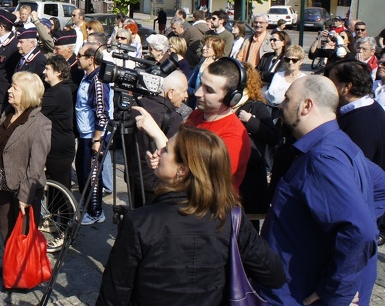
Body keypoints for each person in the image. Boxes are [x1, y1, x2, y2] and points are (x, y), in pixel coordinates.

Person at [97, 126, 285, 306]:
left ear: (182, 170)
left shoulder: (139, 222)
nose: (158, 153)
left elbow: (114, 295)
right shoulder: (230, 217)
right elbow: (273, 274)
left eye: (166, 150)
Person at [257, 75, 385, 306]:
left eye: (287, 99)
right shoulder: (336, 143)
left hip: (297, 295)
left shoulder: (323, 159)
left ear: (306, 106)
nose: (281, 105)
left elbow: (361, 231)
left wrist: (335, 291)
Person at [138, 58, 251, 192]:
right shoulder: (196, 115)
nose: (197, 93)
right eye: (200, 84)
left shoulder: (233, 137)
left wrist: (157, 135)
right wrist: (163, 158)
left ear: (231, 98)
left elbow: (202, 185)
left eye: (208, 90)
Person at [0, 71, 51, 279]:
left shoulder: (41, 123)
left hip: (24, 190)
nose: (9, 90)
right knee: (5, 227)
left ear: (27, 93)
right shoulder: (9, 114)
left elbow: (36, 165)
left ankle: (23, 273)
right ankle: (10, 262)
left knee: (22, 233)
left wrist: (25, 197)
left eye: (15, 88)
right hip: (4, 184)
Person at [125, 71, 188, 208]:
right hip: (155, 182)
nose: (186, 96)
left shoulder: (137, 106)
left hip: (133, 176)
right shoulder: (172, 117)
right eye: (184, 91)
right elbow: (175, 155)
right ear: (170, 93)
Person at [75, 43, 111, 224]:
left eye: (80, 55)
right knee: (82, 171)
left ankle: (96, 212)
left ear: (91, 59)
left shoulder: (98, 81)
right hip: (84, 135)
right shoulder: (86, 77)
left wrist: (97, 139)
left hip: (93, 136)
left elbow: (102, 113)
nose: (77, 58)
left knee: (92, 174)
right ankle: (86, 204)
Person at [41, 55, 76, 189]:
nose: (44, 72)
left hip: (58, 149)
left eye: (47, 69)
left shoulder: (56, 93)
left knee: (59, 189)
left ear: (58, 72)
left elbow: (34, 111)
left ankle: (66, 210)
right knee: (58, 189)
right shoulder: (63, 88)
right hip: (62, 146)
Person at [0, 11, 21, 128]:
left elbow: (14, 71)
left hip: (3, 92)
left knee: (3, 125)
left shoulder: (14, 45)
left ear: (1, 27)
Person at [187, 36, 223, 108]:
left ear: (216, 50)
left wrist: (201, 71)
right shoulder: (201, 63)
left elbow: (199, 88)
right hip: (191, 102)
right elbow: (189, 84)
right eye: (204, 45)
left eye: (208, 47)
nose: (203, 48)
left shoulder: (216, 68)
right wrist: (192, 91)